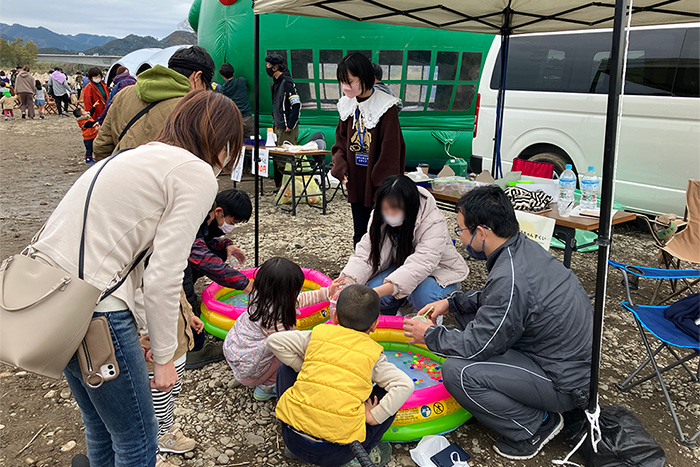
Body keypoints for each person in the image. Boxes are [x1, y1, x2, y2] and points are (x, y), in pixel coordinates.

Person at [29, 91, 244, 467]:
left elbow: (136, 263)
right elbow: (164, 273)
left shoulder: (134, 156)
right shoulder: (194, 172)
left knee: (100, 426)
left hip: (53, 300)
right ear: (222, 141)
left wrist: (144, 328)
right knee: (139, 440)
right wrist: (163, 357)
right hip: (96, 311)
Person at [403, 185, 594, 461]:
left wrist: (430, 335)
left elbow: (480, 344)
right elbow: (498, 300)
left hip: (563, 382)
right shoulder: (521, 248)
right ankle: (516, 403)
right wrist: (451, 302)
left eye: (462, 232)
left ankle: (535, 424)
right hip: (562, 361)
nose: (461, 239)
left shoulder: (510, 276)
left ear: (482, 232)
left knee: (458, 372)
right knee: (467, 318)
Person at [268, 284, 414, 467]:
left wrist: (303, 367)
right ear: (375, 324)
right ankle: (360, 456)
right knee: (385, 394)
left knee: (287, 368)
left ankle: (296, 443)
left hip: (292, 439)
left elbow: (274, 341)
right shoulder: (374, 356)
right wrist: (372, 417)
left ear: (335, 316)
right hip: (338, 453)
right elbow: (405, 385)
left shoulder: (317, 335)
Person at [341, 175, 468, 315]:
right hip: (403, 266)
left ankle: (430, 326)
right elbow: (365, 254)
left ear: (409, 207)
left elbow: (422, 263)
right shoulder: (378, 216)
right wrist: (346, 281)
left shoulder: (433, 221)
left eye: (395, 209)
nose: (389, 213)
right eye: (385, 208)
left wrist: (372, 294)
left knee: (422, 296)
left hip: (439, 271)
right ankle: (388, 322)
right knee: (375, 291)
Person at [224, 257, 340, 401]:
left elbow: (301, 300)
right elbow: (288, 346)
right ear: (286, 294)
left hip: (240, 358)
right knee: (286, 355)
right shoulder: (274, 319)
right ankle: (265, 388)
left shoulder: (263, 298)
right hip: (249, 371)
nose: (297, 294)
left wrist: (327, 292)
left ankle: (254, 377)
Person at [331, 53, 405, 246]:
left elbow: (391, 150)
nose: (345, 87)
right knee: (360, 232)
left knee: (383, 233)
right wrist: (340, 164)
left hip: (379, 184)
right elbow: (340, 141)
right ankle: (360, 270)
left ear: (363, 77)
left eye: (349, 81)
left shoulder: (385, 106)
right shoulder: (347, 104)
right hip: (356, 179)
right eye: (342, 82)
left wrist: (382, 186)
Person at [94, 45, 215, 160]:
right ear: (197, 77)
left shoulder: (123, 94)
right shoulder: (191, 108)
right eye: (205, 86)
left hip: (120, 174)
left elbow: (101, 146)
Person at [183, 188, 253, 369]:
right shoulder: (193, 220)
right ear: (218, 212)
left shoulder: (206, 214)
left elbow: (205, 242)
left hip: (181, 255)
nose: (231, 227)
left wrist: (227, 245)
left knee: (215, 253)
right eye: (232, 222)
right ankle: (195, 350)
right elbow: (203, 258)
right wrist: (246, 283)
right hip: (169, 264)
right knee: (184, 289)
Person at [139, 290, 200, 455]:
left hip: (177, 344)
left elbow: (178, 291)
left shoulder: (168, 266)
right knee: (155, 405)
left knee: (171, 392)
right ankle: (152, 450)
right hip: (153, 354)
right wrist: (149, 344)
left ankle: (165, 431)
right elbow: (142, 307)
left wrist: (189, 315)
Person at [264, 53, 301, 188]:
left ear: (275, 68)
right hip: (277, 126)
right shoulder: (276, 82)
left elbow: (296, 104)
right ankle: (280, 187)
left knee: (285, 160)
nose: (266, 68)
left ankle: (290, 188)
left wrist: (290, 124)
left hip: (286, 128)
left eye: (268, 65)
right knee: (277, 158)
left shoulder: (287, 82)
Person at [216, 63, 254, 137]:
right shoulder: (242, 81)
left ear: (223, 76)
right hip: (247, 118)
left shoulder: (223, 89)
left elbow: (219, 88)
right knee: (251, 143)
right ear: (233, 72)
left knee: (235, 145)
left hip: (235, 120)